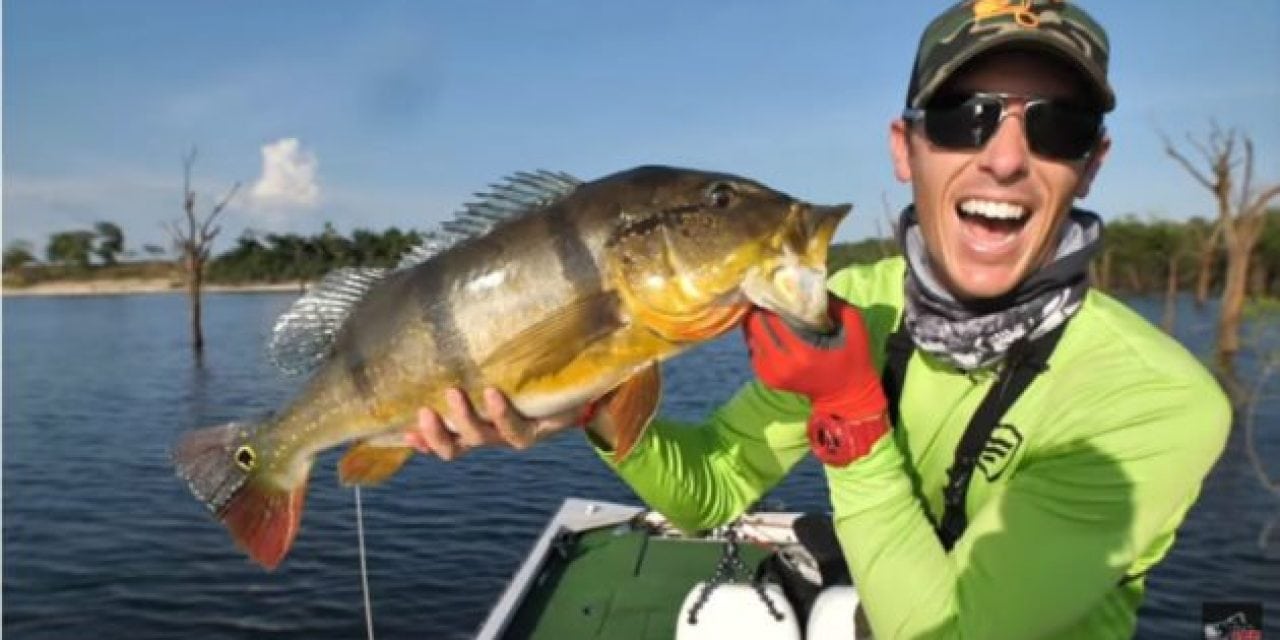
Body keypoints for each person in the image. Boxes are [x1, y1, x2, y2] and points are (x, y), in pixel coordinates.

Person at [407, 1, 1231, 637]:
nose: (1006, 157)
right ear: (906, 150)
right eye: (964, 116)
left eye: (1057, 126)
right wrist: (591, 402)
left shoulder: (1157, 402)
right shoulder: (858, 303)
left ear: (1090, 164)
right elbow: (712, 489)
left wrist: (850, 414)